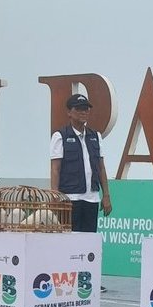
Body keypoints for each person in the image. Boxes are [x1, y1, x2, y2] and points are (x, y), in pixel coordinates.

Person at [50, 93, 112, 232]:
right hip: (69, 198)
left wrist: (106, 195)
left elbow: (101, 168)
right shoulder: (60, 136)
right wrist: (55, 196)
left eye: (86, 109)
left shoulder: (95, 136)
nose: (83, 112)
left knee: (89, 241)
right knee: (70, 240)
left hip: (92, 198)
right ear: (69, 112)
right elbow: (55, 169)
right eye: (78, 109)